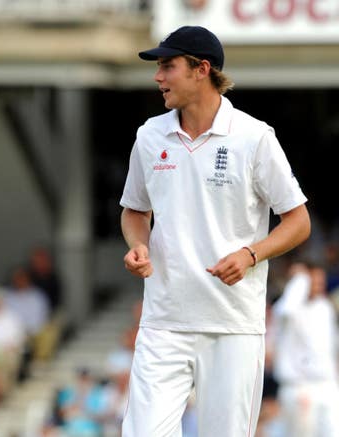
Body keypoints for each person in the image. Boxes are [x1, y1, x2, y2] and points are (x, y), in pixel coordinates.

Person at [119, 26, 311, 436]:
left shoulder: (254, 137)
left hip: (232, 324)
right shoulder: (150, 136)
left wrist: (251, 254)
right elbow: (135, 210)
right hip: (163, 322)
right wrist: (138, 244)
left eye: (167, 66)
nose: (158, 77)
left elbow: (298, 221)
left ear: (201, 69)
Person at [271, 262, 339, 436]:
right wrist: (300, 278)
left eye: (321, 282)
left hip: (327, 385)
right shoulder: (288, 308)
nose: (318, 286)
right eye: (314, 281)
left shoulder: (324, 308)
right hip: (298, 386)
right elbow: (287, 309)